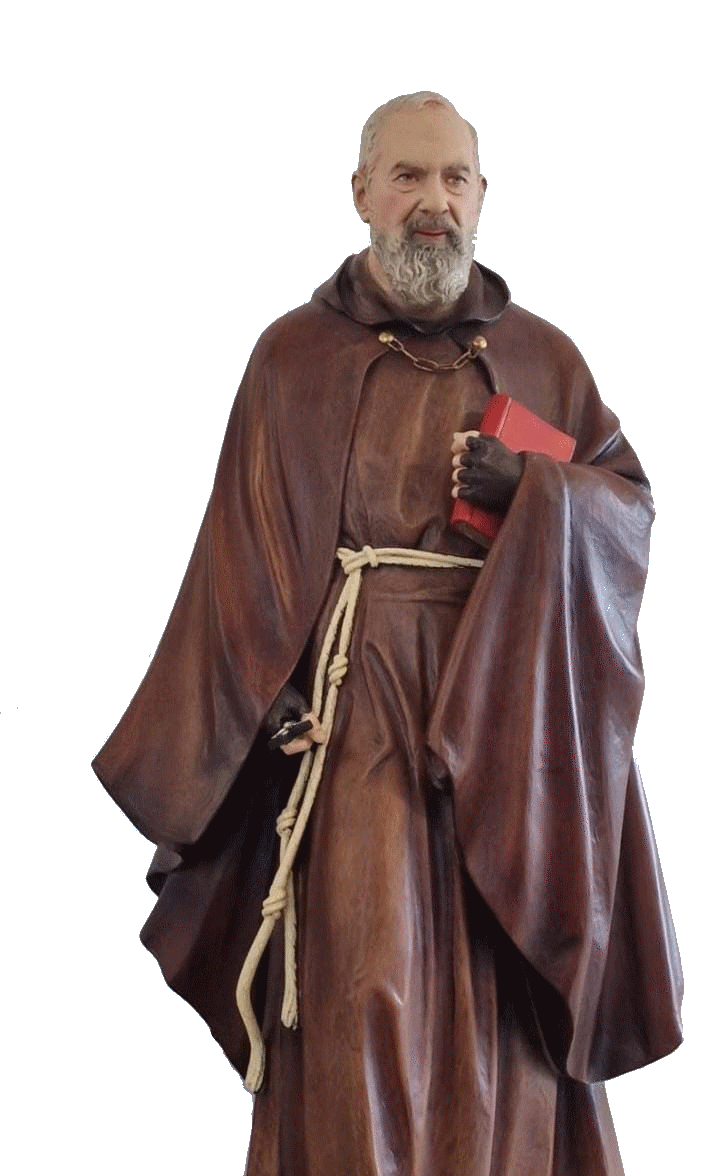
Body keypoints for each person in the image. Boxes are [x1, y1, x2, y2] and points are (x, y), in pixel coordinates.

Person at [93, 92, 683, 1176]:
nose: (432, 202)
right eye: (407, 175)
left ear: (483, 197)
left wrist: (533, 489)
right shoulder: (292, 357)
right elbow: (241, 553)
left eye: (453, 178)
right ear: (361, 191)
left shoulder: (544, 357)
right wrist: (263, 700)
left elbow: (628, 514)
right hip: (357, 705)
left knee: (504, 989)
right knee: (366, 985)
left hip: (508, 710)